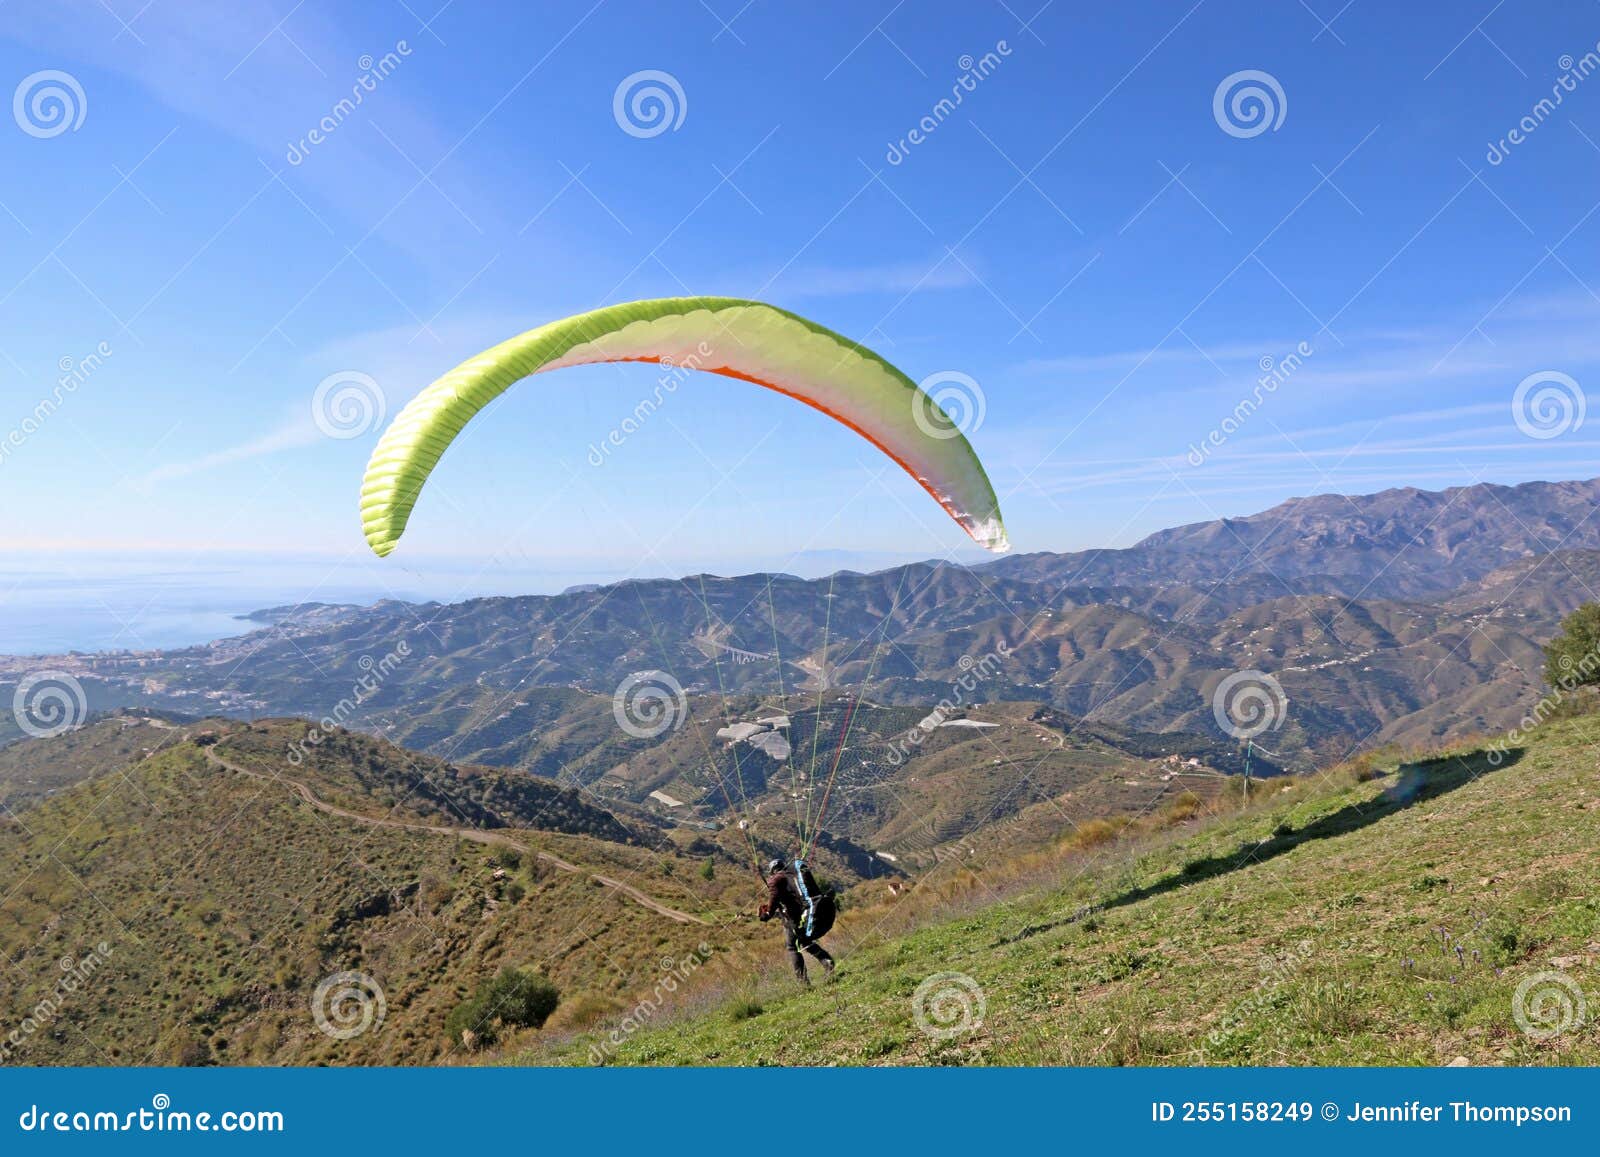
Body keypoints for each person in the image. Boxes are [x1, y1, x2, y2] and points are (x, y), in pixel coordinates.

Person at [757, 856, 836, 983]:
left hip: (792, 919)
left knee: (792, 947)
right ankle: (826, 961)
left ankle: (803, 982)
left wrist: (766, 914)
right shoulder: (791, 876)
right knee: (804, 942)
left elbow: (774, 900)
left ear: (772, 871)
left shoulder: (776, 880)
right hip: (804, 913)